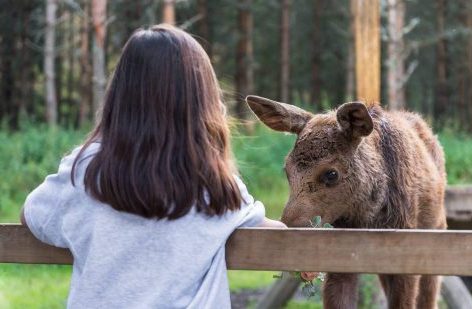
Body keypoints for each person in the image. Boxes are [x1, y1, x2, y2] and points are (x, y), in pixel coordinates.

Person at [20, 24, 285, 309]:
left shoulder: (86, 169)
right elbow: (271, 231)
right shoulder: (213, 182)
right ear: (202, 102)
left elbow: (32, 215)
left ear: (120, 98)